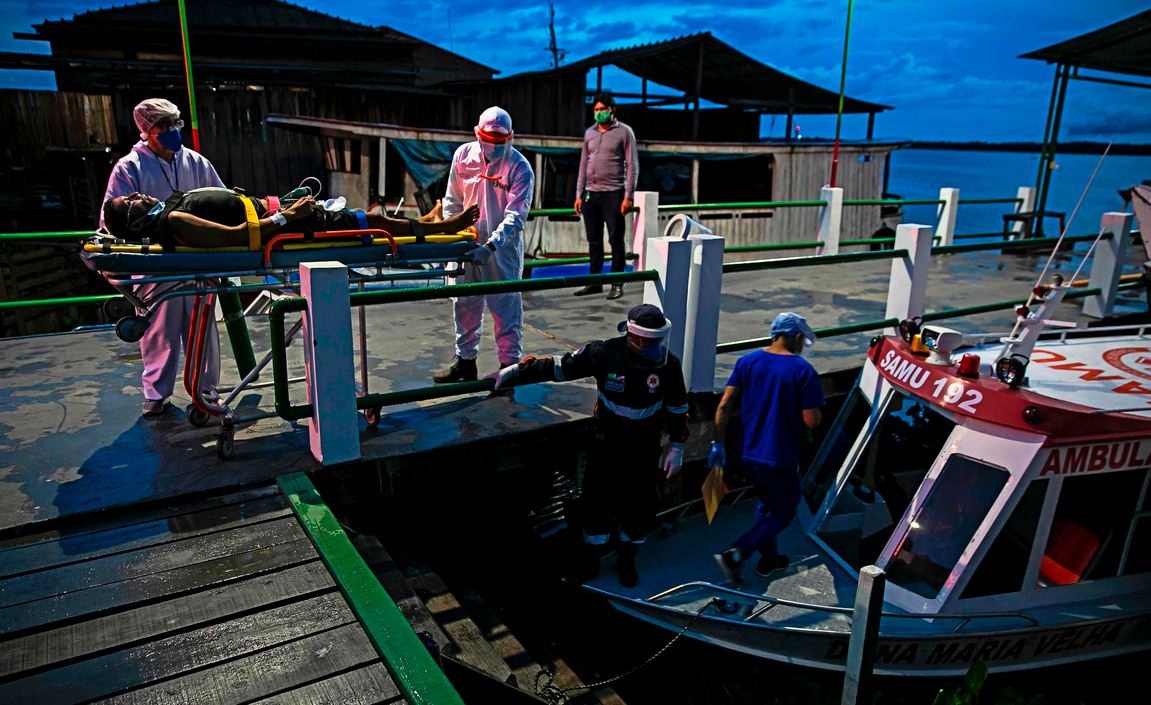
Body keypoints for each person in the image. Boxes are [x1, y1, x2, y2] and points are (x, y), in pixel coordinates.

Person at [493, 303, 689, 587]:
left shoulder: (668, 365)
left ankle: (626, 561)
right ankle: (591, 563)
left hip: (644, 450)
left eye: (657, 340)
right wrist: (513, 372)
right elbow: (560, 367)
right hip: (606, 445)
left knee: (638, 506)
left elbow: (678, 408)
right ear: (633, 336)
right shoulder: (604, 353)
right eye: (648, 340)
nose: (653, 347)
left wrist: (677, 447)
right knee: (596, 504)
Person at [99, 98, 226, 418]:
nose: (171, 132)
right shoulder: (129, 168)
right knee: (159, 331)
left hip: (198, 261)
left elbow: (224, 202)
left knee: (202, 330)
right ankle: (157, 393)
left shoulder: (196, 163)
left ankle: (205, 389)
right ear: (146, 131)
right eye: (163, 126)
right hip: (156, 265)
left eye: (175, 124)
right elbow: (112, 216)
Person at [711, 312, 825, 586]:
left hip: (748, 453)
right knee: (785, 510)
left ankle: (770, 559)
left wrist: (717, 443)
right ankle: (737, 552)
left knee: (767, 506)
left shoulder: (747, 362)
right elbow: (810, 419)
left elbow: (725, 404)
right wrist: (817, 415)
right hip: (780, 455)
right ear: (797, 337)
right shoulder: (803, 371)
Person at [433, 106, 536, 383]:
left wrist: (490, 246)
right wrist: (453, 234)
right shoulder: (462, 156)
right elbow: (453, 200)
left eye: (499, 141)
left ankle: (509, 369)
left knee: (505, 309)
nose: (493, 145)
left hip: (501, 252)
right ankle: (465, 362)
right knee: (463, 305)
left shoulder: (519, 168)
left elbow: (516, 216)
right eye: (488, 139)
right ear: (477, 134)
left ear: (510, 138)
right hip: (464, 245)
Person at [102, 188, 478, 248]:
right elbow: (236, 237)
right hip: (289, 224)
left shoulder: (171, 212)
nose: (138, 195)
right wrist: (289, 217)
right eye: (130, 201)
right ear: (134, 222)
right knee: (368, 220)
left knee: (367, 215)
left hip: (282, 210)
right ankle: (441, 227)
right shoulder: (173, 222)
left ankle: (429, 222)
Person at [572, 93, 639, 301]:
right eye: (596, 110)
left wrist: (628, 195)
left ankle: (617, 283)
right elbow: (583, 165)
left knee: (615, 240)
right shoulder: (589, 133)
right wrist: (579, 194)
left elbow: (632, 165)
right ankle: (594, 282)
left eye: (602, 109)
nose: (599, 113)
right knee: (594, 240)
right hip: (592, 193)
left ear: (612, 110)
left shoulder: (624, 132)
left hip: (614, 192)